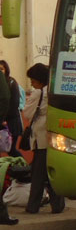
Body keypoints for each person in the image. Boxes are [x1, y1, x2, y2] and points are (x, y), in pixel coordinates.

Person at [23, 63, 65, 214]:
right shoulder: (55, 91)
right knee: (52, 173)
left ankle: (32, 206)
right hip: (54, 137)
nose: (32, 84)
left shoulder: (38, 94)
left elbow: (27, 114)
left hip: (40, 137)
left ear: (39, 80)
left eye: (33, 81)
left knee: (38, 175)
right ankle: (58, 204)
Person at [0, 60, 23, 157]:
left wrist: (4, 119)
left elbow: (14, 103)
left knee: (11, 150)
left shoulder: (11, 83)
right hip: (2, 120)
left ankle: (23, 166)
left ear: (6, 70)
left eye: (1, 69)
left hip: (11, 122)